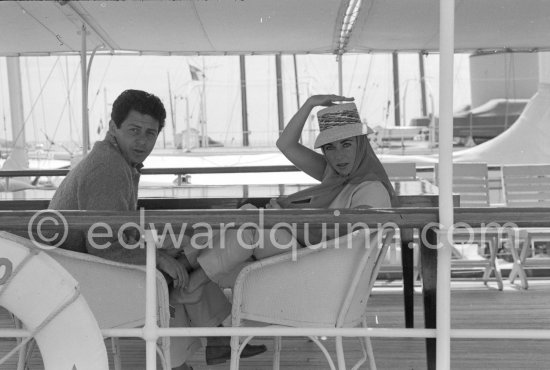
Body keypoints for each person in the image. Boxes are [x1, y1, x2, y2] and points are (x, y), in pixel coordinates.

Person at [48, 89, 266, 369]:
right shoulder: (108, 169)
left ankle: (210, 342)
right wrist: (159, 257)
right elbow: (104, 244)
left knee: (185, 257)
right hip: (81, 279)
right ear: (114, 127)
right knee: (174, 273)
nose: (142, 141)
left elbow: (115, 230)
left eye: (150, 133)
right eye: (134, 130)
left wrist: (160, 249)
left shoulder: (117, 161)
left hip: (75, 268)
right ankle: (198, 349)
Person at [183, 94, 397, 290]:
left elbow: (341, 242)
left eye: (346, 144)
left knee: (252, 224)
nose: (338, 155)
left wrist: (285, 221)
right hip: (312, 260)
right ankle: (190, 281)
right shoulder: (336, 175)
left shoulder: (371, 189)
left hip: (326, 275)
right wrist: (310, 103)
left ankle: (188, 274)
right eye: (329, 147)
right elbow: (285, 144)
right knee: (244, 228)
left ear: (361, 145)